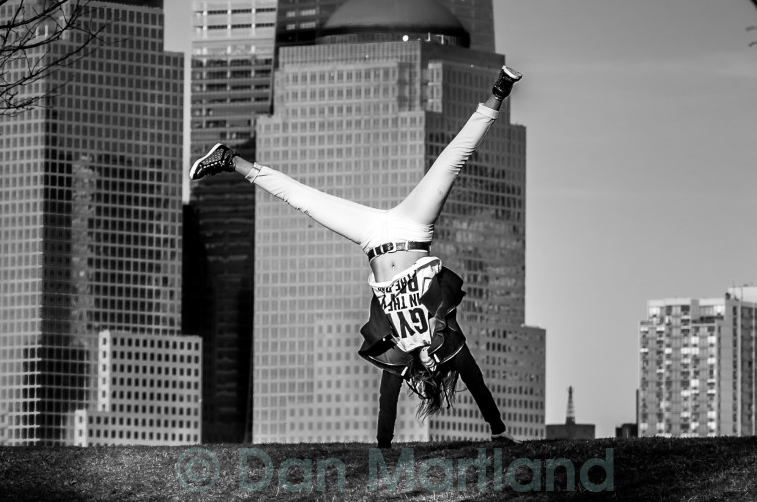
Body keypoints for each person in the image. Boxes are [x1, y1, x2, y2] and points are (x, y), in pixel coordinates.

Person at [190, 64, 523, 447]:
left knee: (304, 199)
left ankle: (231, 161)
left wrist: (383, 449)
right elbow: (475, 379)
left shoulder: (396, 351)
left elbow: (387, 404)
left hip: (371, 239)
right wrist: (498, 431)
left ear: (420, 374)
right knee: (451, 161)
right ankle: (499, 91)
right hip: (413, 230)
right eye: (436, 370)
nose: (431, 367)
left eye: (426, 374)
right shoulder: (448, 340)